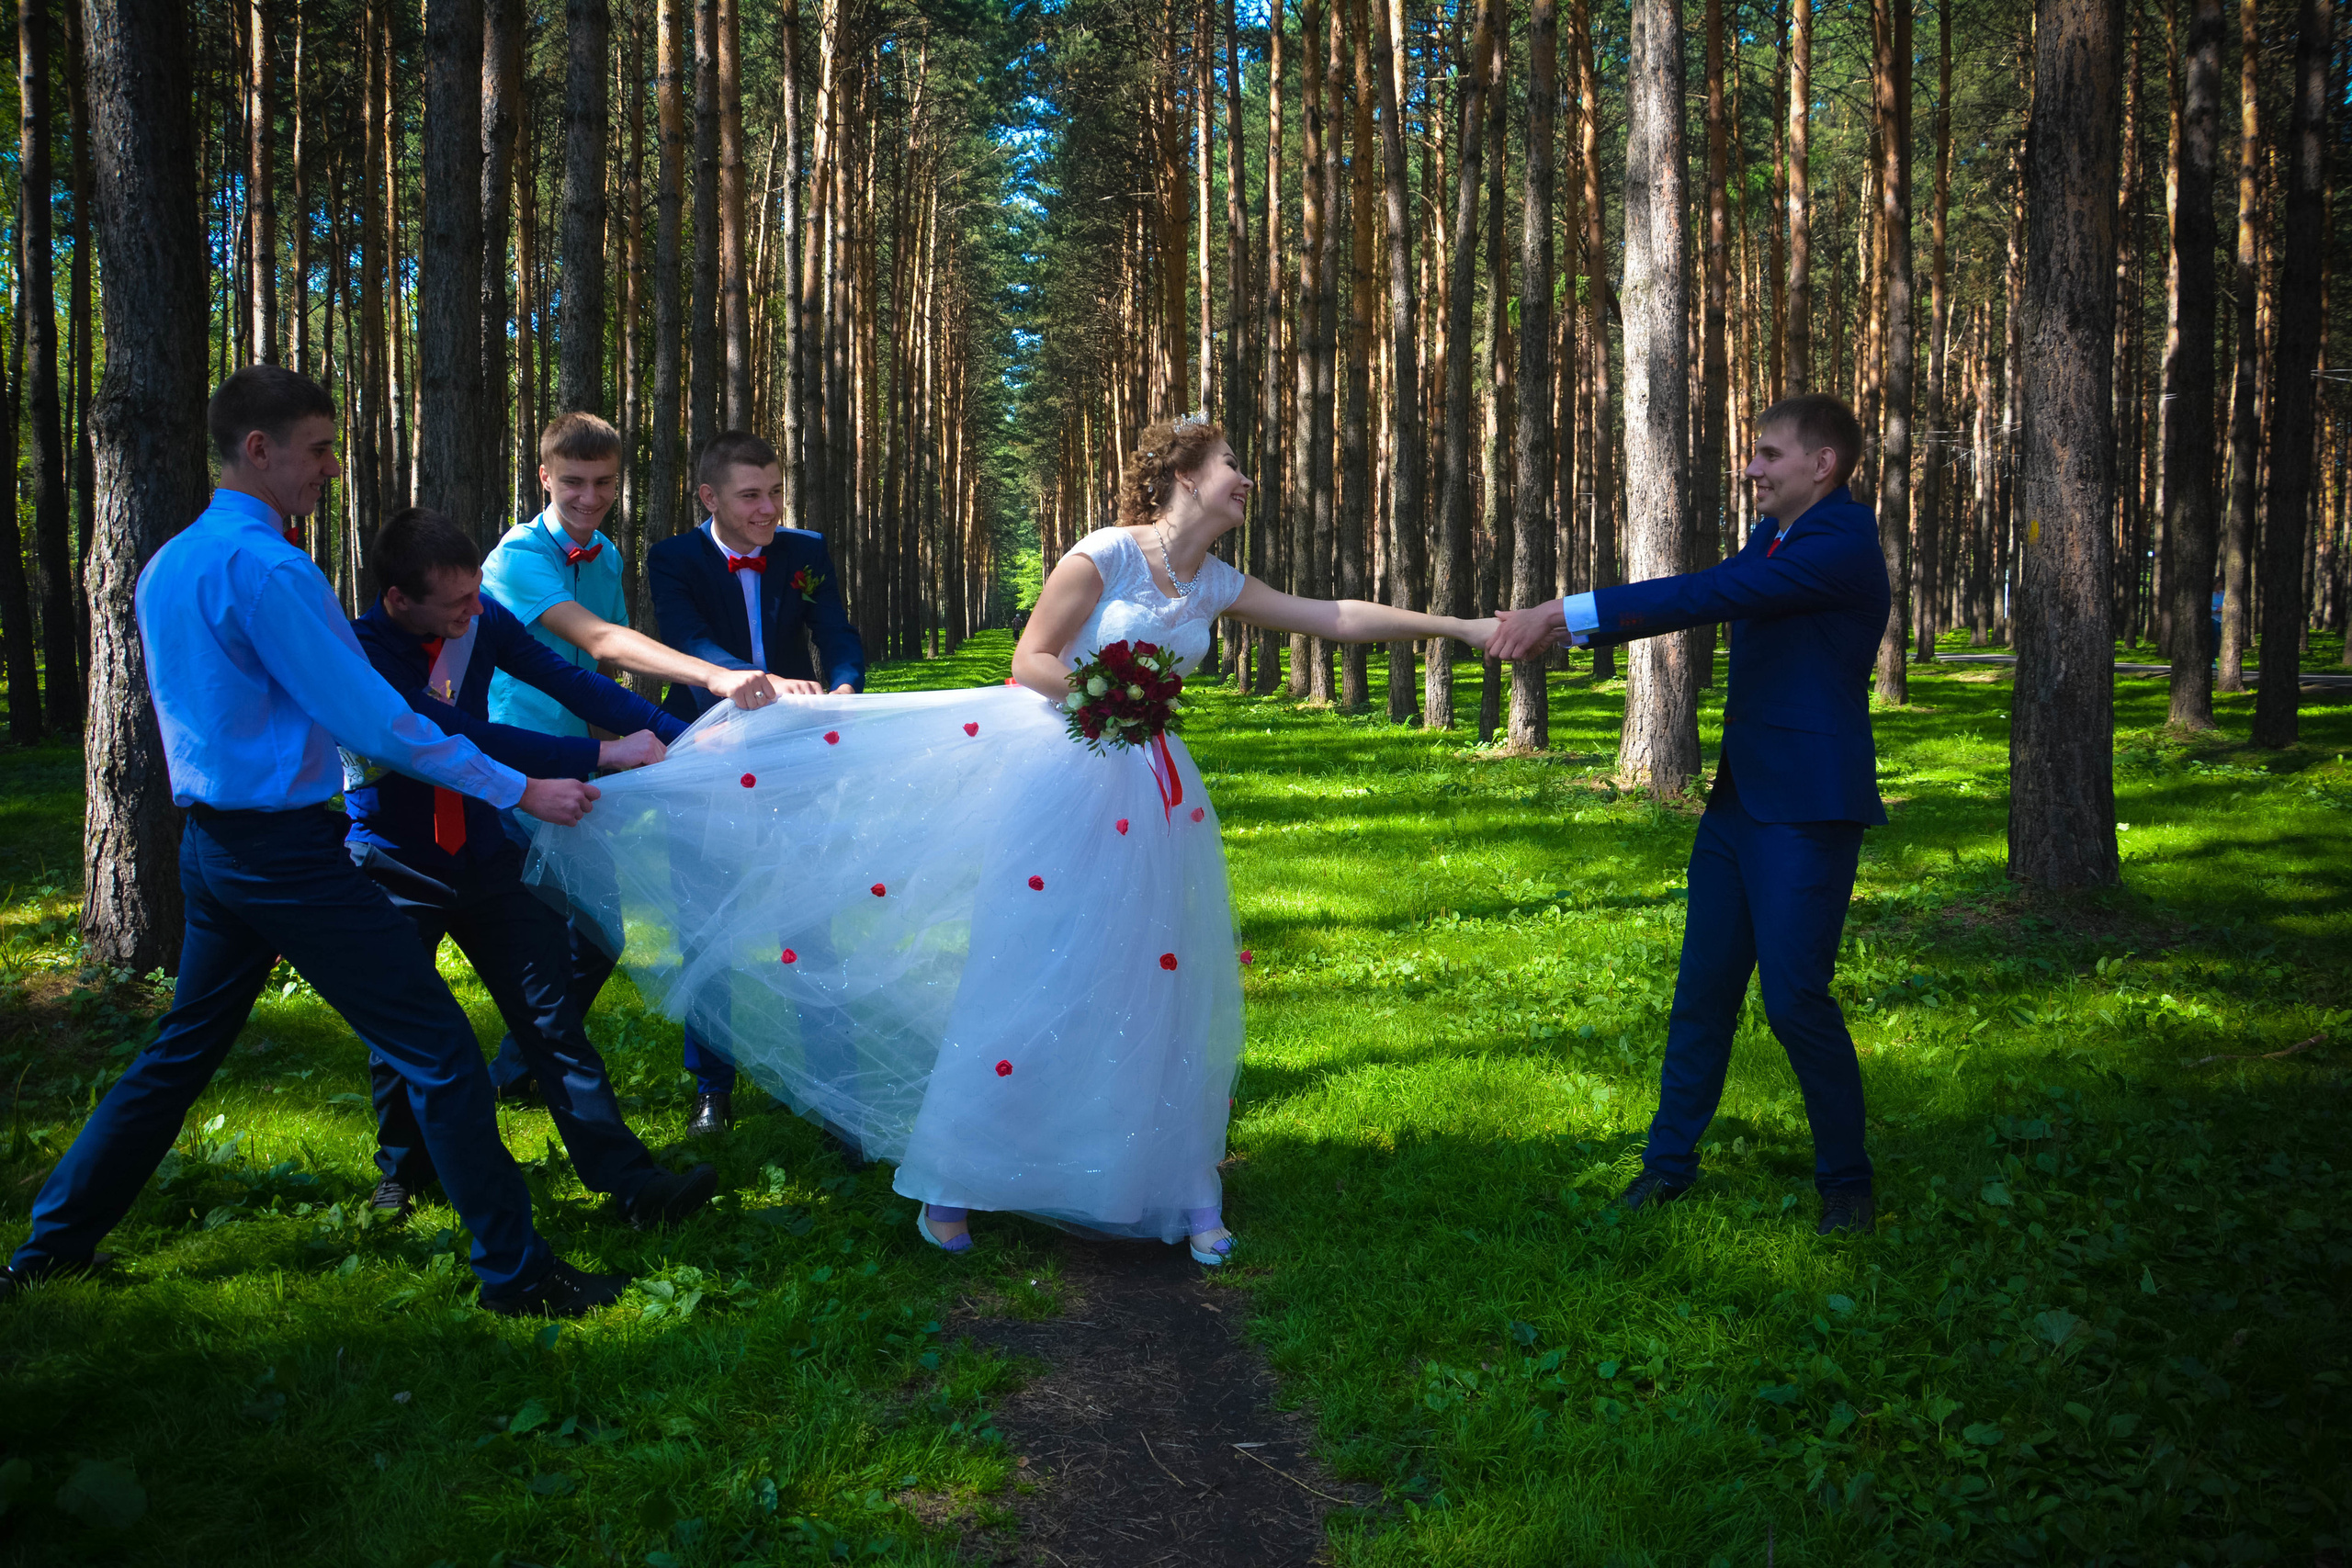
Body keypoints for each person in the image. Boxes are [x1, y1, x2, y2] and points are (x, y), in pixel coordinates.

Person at [523, 413, 1497, 1267]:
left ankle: (1178, 1183)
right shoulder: (1104, 553)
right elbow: (1031, 659)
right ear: (1181, 477)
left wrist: (1455, 626)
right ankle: (959, 1178)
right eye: (1232, 464)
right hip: (1068, 775)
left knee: (1153, 976)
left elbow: (1329, 617)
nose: (1246, 480)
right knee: (1040, 968)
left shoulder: (1213, 579)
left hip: (1156, 793)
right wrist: (1107, 697)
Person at [1, 367, 621, 1315]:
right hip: (285, 855)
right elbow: (377, 722)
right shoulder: (273, 569)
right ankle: (516, 1273)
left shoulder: (168, 563)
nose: (331, 468)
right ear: (260, 450)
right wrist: (520, 785)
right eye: (320, 448)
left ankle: (53, 1244)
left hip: (211, 848)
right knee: (442, 1051)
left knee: (181, 1051)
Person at [1488, 391, 1889, 1235]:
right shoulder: (1775, 534)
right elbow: (1726, 589)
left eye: (1769, 455)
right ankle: (1668, 1166)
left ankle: (1846, 1183)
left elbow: (1709, 594)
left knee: (1793, 999)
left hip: (1807, 808)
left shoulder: (1843, 541)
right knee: (1702, 990)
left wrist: (1567, 615)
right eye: (1753, 453)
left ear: (1823, 465)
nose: (1751, 469)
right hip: (1741, 802)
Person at [347, 506, 717, 1230]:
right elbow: (455, 732)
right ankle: (402, 1171)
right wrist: (598, 755)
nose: (472, 612)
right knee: (401, 1031)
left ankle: (634, 1183)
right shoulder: (360, 651)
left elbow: (570, 680)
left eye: (473, 596)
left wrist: (685, 735)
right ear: (398, 599)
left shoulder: (479, 616)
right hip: (396, 861)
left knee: (551, 1019)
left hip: (483, 854)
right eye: (453, 602)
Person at [480, 412, 781, 1104]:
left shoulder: (607, 556)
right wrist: (713, 677)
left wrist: (621, 756)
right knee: (553, 937)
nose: (590, 498)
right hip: (515, 769)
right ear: (544, 477)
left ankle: (517, 1072)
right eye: (575, 482)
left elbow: (592, 675)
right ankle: (520, 1076)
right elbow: (604, 640)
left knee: (597, 935)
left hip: (583, 763)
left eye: (605, 483)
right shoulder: (517, 557)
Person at [643, 430, 865, 1136]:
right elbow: (688, 644)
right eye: (751, 496)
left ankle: (834, 1084)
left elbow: (837, 630)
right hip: (706, 754)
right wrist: (753, 683)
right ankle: (712, 1085)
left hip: (793, 757)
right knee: (704, 921)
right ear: (709, 497)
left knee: (810, 915)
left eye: (775, 492)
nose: (769, 508)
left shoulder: (805, 551)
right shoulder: (672, 558)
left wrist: (846, 681)